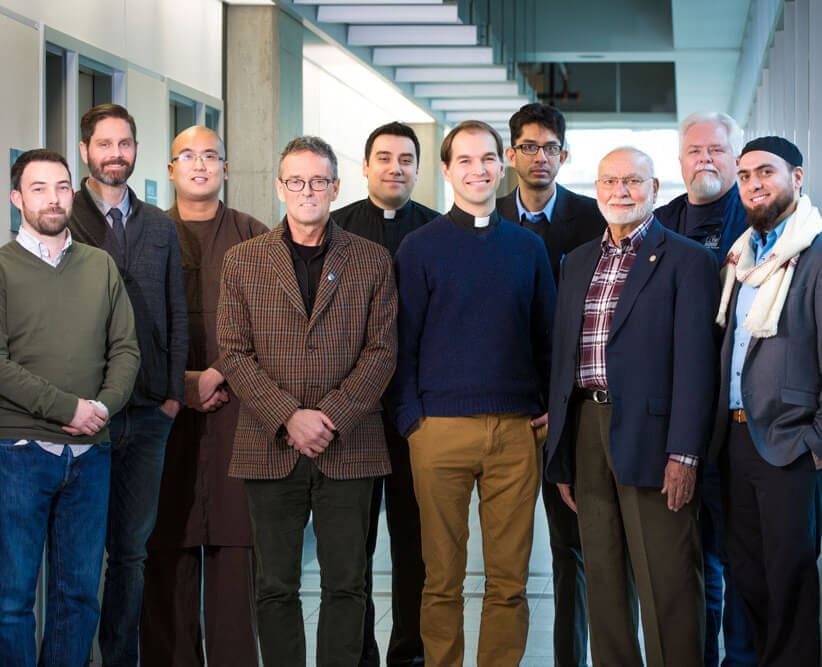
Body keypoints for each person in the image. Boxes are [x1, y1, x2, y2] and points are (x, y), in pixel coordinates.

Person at [217, 135, 398, 666]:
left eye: (318, 181)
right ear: (280, 187)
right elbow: (233, 352)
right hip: (269, 444)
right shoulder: (243, 261)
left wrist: (332, 417)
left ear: (336, 187)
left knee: (348, 584)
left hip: (351, 444)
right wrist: (288, 417)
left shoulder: (371, 259)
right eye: (296, 181)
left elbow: (382, 352)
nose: (307, 191)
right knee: (275, 585)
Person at [390, 120, 555, 666]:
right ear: (446, 170)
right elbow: (402, 341)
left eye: (487, 159)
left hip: (514, 434)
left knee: (509, 579)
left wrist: (546, 409)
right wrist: (413, 420)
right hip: (438, 432)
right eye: (465, 160)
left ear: (502, 163)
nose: (478, 170)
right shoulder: (419, 248)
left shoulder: (528, 249)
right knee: (441, 578)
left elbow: (547, 338)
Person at [545, 147, 717, 667]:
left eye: (633, 182)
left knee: (667, 582)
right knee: (603, 580)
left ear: (655, 188)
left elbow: (696, 364)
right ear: (597, 189)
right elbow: (563, 356)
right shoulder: (576, 262)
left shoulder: (688, 260)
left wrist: (684, 453)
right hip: (587, 428)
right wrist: (562, 450)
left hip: (655, 439)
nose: (621, 191)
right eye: (610, 182)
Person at [0, 149, 139, 666]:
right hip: (17, 452)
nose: (53, 199)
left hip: (90, 454)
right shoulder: (2, 268)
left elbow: (125, 348)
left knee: (78, 596)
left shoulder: (98, 264)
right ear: (17, 199)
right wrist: (66, 408)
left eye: (61, 187)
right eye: (38, 188)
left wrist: (102, 407)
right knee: (12, 601)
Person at [140, 126, 268, 666]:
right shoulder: (146, 237)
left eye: (211, 155)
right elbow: (129, 329)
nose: (200, 164)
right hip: (162, 417)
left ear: (225, 166)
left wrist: (220, 373)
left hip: (241, 416)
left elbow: (276, 328)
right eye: (187, 156)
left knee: (237, 554)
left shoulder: (256, 236)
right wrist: (185, 383)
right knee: (164, 549)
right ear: (169, 169)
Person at [68, 103, 188, 666]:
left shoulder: (160, 224)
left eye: (125, 143)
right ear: (86, 149)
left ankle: (120, 659)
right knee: (78, 552)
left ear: (137, 149)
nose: (115, 154)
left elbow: (176, 310)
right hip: (86, 409)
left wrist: (171, 396)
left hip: (148, 412)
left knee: (131, 553)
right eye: (104, 144)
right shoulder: (65, 218)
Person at [496, 102, 604, 666]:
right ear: (511, 154)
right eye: (529, 147)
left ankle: (571, 658)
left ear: (564, 154)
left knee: (574, 548)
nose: (540, 157)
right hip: (506, 409)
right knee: (502, 550)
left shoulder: (593, 219)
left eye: (551, 148)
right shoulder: (482, 217)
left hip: (574, 409)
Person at [710, 136, 821, 666]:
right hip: (736, 440)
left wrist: (815, 441)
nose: (755, 184)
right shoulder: (742, 254)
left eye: (767, 173)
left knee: (790, 579)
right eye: (746, 175)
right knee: (748, 575)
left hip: (791, 444)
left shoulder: (815, 252)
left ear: (796, 178)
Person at [333, 121, 437, 667]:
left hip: (412, 415)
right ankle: (360, 654)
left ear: (418, 169)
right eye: (384, 158)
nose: (394, 167)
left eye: (405, 159)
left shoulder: (439, 231)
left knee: (413, 547)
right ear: (366, 165)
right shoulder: (333, 227)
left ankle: (409, 653)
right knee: (352, 547)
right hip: (351, 414)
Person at [655, 111, 755, 667]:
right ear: (681, 161)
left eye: (717, 150)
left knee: (737, 556)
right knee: (690, 559)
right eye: (695, 151)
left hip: (742, 419)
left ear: (735, 158)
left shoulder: (758, 219)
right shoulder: (662, 222)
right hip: (679, 418)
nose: (706, 160)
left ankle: (741, 658)